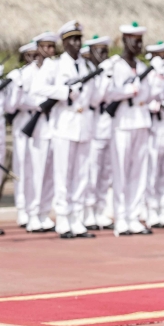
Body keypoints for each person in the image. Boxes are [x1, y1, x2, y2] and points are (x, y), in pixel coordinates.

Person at [31, 21, 100, 239]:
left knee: (81, 175)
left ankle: (77, 218)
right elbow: (37, 88)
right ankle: (62, 218)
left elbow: (95, 98)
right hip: (63, 126)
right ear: (64, 42)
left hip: (84, 125)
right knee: (63, 174)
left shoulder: (88, 67)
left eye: (79, 39)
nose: (77, 43)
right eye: (72, 39)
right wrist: (65, 91)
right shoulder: (54, 65)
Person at [106, 22, 159, 236]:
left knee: (139, 171)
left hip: (141, 121)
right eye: (135, 40)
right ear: (125, 40)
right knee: (121, 171)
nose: (139, 44)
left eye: (140, 40)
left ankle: (134, 216)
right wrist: (127, 90)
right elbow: (107, 92)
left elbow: (148, 96)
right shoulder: (114, 65)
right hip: (122, 124)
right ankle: (120, 217)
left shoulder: (143, 66)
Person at [10, 42, 49, 231]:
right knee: (23, 170)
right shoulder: (22, 74)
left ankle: (39, 210)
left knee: (40, 170)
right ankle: (22, 209)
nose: (33, 58)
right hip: (24, 125)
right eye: (29, 55)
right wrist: (36, 102)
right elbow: (12, 105)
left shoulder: (47, 70)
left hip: (42, 125)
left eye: (36, 54)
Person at [26, 32, 58, 234]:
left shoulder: (55, 68)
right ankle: (32, 214)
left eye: (52, 46)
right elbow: (26, 98)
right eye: (45, 47)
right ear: (38, 48)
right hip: (37, 126)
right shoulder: (28, 73)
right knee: (35, 173)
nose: (50, 51)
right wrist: (41, 104)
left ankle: (44, 213)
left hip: (54, 125)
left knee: (49, 175)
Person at [82, 35, 115, 230]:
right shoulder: (90, 73)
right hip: (92, 128)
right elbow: (95, 99)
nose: (103, 54)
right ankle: (88, 211)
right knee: (91, 172)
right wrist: (105, 78)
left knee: (106, 173)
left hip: (108, 128)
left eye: (105, 51)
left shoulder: (107, 72)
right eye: (99, 50)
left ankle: (101, 210)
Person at [145, 41, 164, 229]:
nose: (163, 59)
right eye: (160, 55)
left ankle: (163, 206)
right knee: (152, 169)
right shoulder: (148, 75)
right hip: (152, 127)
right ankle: (151, 207)